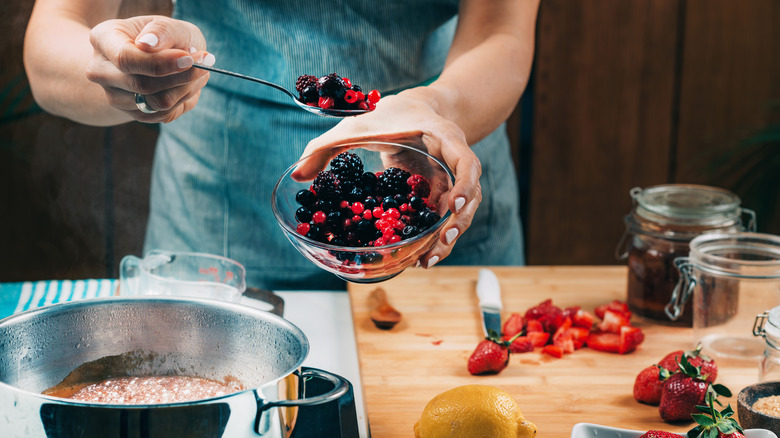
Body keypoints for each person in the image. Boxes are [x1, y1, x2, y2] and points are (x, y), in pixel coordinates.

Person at [24, 0, 540, 290]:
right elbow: (51, 45)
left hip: (433, 174)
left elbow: (503, 32)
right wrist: (129, 72)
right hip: (223, 207)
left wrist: (438, 107)